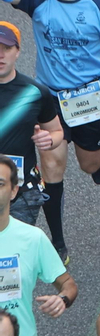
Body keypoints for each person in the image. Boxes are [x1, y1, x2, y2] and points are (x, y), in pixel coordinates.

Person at [0, 0, 100, 255]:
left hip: (91, 100)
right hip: (49, 101)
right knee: (52, 167)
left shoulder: (99, 7)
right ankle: (58, 243)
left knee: (88, 166)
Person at [0, 20, 62, 234]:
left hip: (21, 190)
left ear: (17, 51)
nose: (1, 55)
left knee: (14, 250)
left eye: (6, 48)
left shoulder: (35, 92)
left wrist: (49, 139)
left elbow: (57, 131)